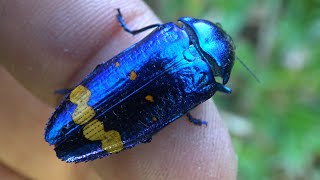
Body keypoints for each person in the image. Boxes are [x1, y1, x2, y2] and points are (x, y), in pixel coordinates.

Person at [0, 0, 237, 179]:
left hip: (102, 92)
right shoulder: (204, 84)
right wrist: (188, 112)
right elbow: (180, 106)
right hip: (125, 122)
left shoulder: (173, 34)